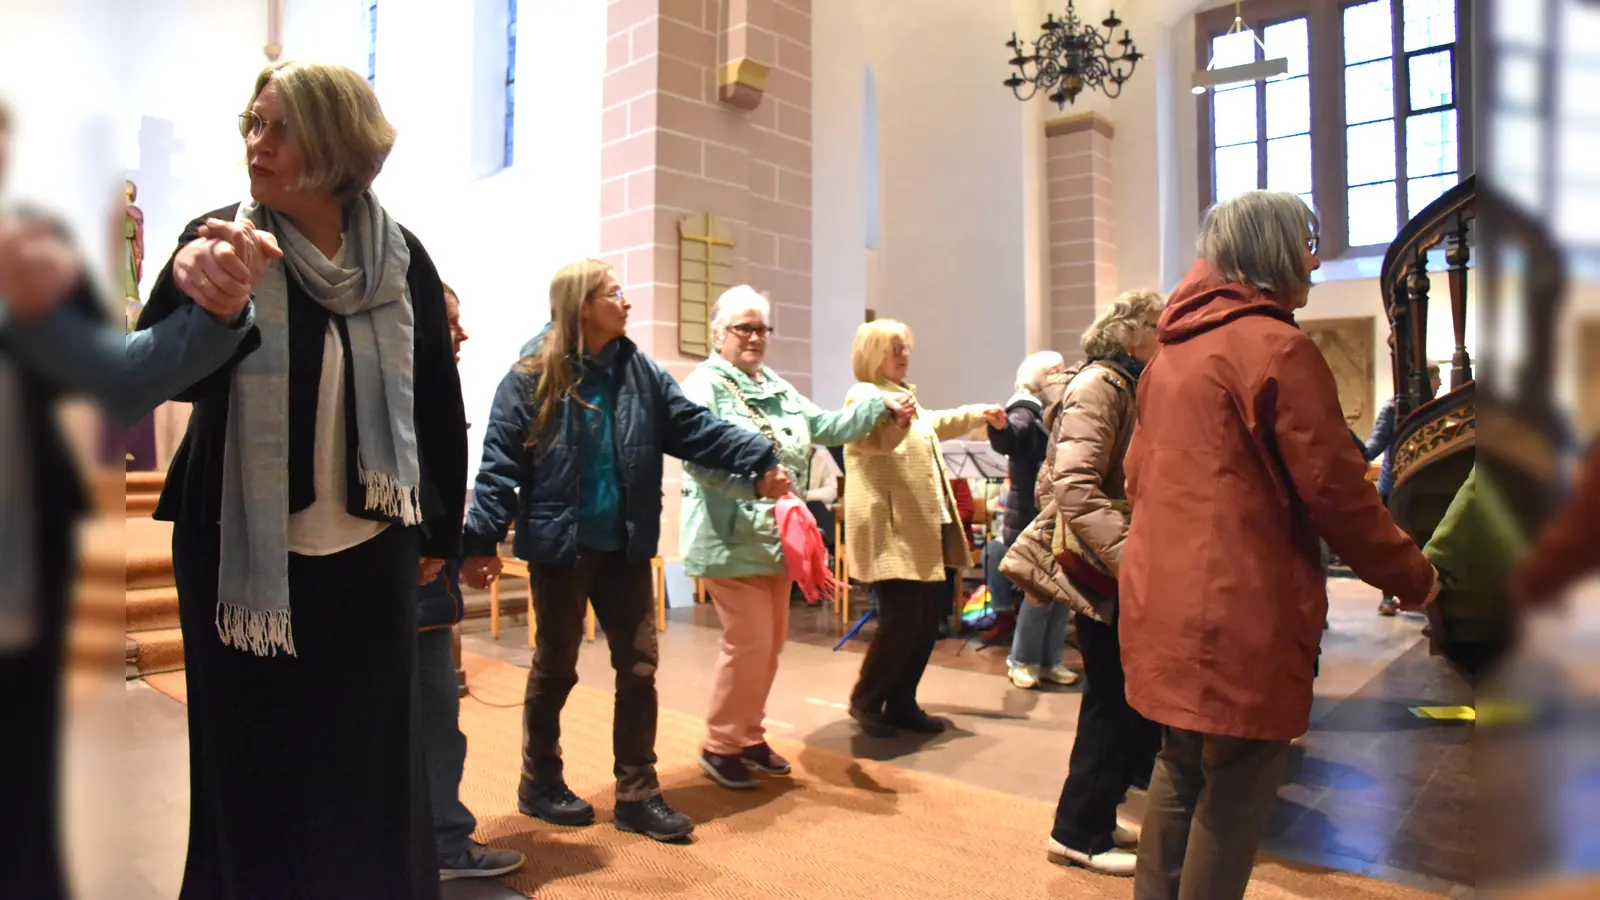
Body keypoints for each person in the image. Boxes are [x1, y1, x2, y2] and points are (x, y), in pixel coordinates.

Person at [135, 61, 468, 899]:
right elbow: (158, 379)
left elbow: (434, 395)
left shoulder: (402, 260)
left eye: (278, 126)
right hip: (235, 554)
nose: (257, 141)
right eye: (251, 122)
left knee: (370, 760)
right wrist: (205, 298)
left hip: (368, 554)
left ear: (334, 142)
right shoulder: (218, 238)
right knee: (246, 762)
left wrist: (437, 532)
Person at [1119, 190, 1439, 900]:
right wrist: (1416, 578)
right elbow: (1339, 493)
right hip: (1240, 605)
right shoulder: (1276, 348)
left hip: (1162, 598)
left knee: (1179, 768)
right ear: (1270, 254)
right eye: (1305, 244)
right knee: (1235, 789)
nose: (1315, 262)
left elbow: (1137, 476)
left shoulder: (1171, 357)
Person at [459, 260, 787, 843]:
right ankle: (540, 782)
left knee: (638, 667)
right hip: (562, 548)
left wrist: (757, 453)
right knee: (555, 667)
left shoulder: (640, 371)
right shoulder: (532, 374)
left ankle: (637, 792)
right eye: (614, 293)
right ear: (583, 305)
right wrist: (480, 539)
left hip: (626, 546)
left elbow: (693, 427)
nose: (627, 302)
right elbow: (499, 465)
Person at [680, 285, 914, 789]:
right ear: (718, 334)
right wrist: (753, 483)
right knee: (748, 643)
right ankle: (720, 744)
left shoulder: (775, 384)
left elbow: (826, 426)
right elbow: (699, 459)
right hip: (729, 534)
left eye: (762, 329)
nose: (755, 338)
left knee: (768, 647)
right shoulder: (705, 385)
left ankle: (748, 735)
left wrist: (877, 405)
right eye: (744, 328)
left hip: (778, 537)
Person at [1003, 292, 1165, 875]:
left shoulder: (1127, 382)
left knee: (1126, 699)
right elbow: (1074, 485)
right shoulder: (1101, 385)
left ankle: (1098, 810)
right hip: (1102, 560)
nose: (1164, 332)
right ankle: (1077, 831)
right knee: (1110, 699)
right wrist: (1131, 558)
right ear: (1127, 334)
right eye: (1155, 323)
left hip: (1118, 555)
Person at [842, 318, 1005, 737]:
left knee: (925, 619)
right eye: (896, 348)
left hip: (917, 529)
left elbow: (936, 422)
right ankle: (867, 698)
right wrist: (895, 420)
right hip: (889, 528)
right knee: (902, 619)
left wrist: (977, 413)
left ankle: (901, 701)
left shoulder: (903, 398)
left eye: (907, 348)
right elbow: (874, 441)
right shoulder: (864, 397)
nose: (905, 356)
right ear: (873, 353)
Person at [413, 283, 524, 881]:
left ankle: (438, 842)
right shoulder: (397, 384)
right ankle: (441, 847)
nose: (463, 334)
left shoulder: (431, 383)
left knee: (435, 722)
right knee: (428, 723)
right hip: (397, 581)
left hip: (427, 582)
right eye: (451, 322)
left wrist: (462, 547)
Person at [982, 350, 1065, 646]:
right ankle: (1024, 659)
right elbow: (1012, 436)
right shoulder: (1026, 409)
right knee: (1038, 590)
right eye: (1057, 371)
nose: (1064, 375)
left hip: (1050, 510)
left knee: (1058, 589)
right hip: (1031, 511)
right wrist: (1000, 428)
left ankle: (1050, 660)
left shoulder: (1052, 408)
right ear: (1041, 378)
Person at [1366, 361, 1441, 615]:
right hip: (1394, 483)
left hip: (1426, 482)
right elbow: (1375, 444)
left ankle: (1422, 596)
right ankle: (1388, 598)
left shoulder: (1437, 408)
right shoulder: (1392, 408)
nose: (1440, 383)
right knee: (1392, 544)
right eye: (1436, 377)